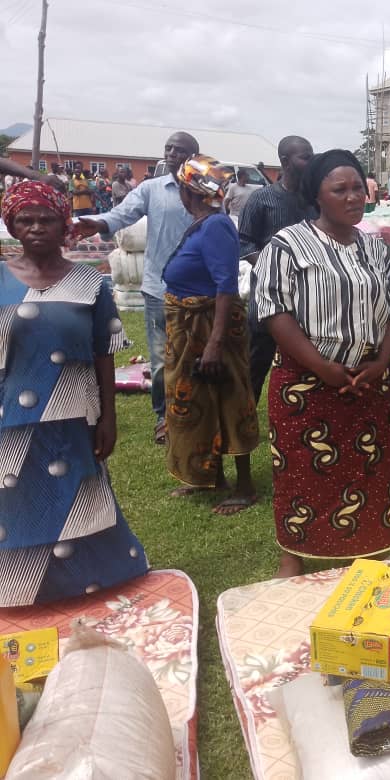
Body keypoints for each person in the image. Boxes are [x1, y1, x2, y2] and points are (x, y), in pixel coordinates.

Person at [253, 149, 390, 578]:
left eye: (357, 188)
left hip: (368, 379)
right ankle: (293, 553)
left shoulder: (373, 245)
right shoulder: (287, 245)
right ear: (317, 195)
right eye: (340, 190)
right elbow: (274, 312)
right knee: (300, 472)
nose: (353, 198)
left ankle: (368, 544)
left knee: (369, 467)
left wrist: (382, 362)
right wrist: (323, 368)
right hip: (306, 384)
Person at [0, 181, 148, 606]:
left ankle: (95, 576)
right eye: (25, 220)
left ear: (63, 224)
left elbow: (104, 354)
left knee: (79, 496)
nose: (35, 228)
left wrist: (109, 417)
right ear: (11, 224)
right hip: (11, 417)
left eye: (46, 219)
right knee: (17, 498)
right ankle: (19, 585)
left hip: (73, 414)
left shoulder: (91, 284)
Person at [73, 132, 199, 446]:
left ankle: (196, 415)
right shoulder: (151, 189)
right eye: (169, 147)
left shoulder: (205, 191)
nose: (171, 153)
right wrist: (97, 223)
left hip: (199, 290)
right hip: (159, 288)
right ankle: (163, 419)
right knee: (160, 360)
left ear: (194, 156)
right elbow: (121, 214)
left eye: (179, 149)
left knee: (195, 356)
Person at [162, 155, 259, 515]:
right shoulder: (202, 224)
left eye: (182, 190)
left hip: (210, 328)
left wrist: (215, 343)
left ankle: (245, 486)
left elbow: (225, 286)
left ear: (190, 192)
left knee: (229, 397)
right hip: (190, 328)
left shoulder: (216, 226)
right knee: (198, 401)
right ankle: (209, 475)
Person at [238, 135, 315, 405]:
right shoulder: (262, 199)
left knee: (305, 360)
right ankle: (244, 420)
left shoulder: (313, 200)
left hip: (307, 296)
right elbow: (244, 241)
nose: (311, 161)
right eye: (305, 156)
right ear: (285, 161)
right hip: (268, 298)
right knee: (256, 362)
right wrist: (272, 264)